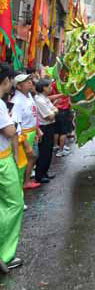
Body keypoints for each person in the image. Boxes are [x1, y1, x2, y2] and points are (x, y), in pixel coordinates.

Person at [0, 65, 23, 273]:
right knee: (14, 204)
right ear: (6, 81)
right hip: (3, 160)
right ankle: (5, 254)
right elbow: (9, 131)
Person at [11, 73, 41, 190]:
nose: (30, 82)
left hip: (31, 132)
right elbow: (16, 125)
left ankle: (26, 181)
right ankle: (19, 189)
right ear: (18, 86)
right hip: (23, 135)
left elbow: (33, 115)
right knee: (22, 163)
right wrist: (26, 143)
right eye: (26, 81)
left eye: (30, 80)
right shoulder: (17, 101)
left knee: (32, 157)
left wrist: (37, 130)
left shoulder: (29, 95)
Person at [33, 80, 58, 183]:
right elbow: (49, 116)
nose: (51, 88)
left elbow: (54, 110)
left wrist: (54, 111)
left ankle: (45, 172)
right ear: (44, 88)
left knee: (48, 151)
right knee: (44, 152)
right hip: (44, 127)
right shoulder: (39, 100)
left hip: (49, 126)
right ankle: (40, 175)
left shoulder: (45, 98)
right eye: (49, 86)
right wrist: (54, 111)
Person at [49, 79, 72, 157]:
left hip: (55, 108)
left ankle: (56, 146)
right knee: (63, 131)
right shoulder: (66, 83)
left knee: (56, 130)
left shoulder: (53, 83)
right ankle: (61, 150)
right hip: (64, 109)